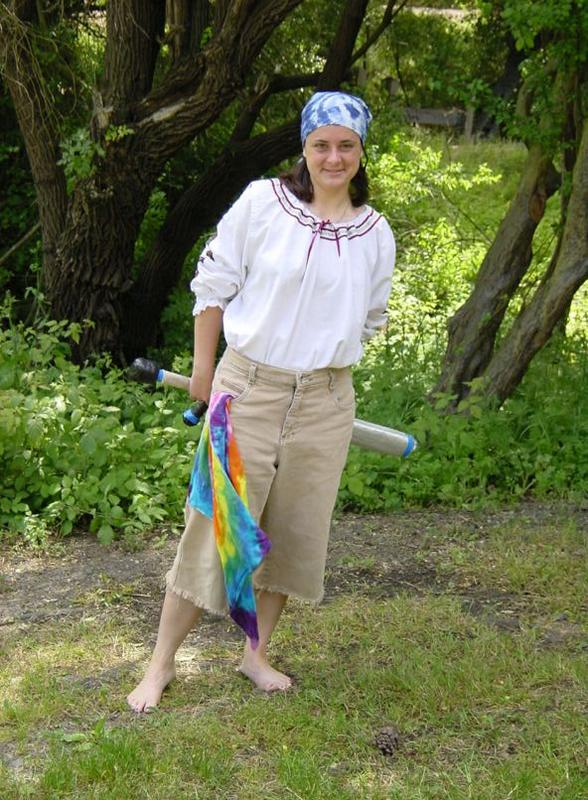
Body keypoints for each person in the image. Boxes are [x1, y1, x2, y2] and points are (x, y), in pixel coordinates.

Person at [127, 91, 396, 712]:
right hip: (247, 390)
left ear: (361, 151)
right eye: (322, 145)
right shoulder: (262, 203)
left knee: (294, 534)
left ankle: (255, 653)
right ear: (305, 147)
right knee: (215, 528)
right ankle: (160, 664)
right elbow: (214, 285)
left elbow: (370, 318)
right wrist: (204, 368)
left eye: (346, 145)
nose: (334, 157)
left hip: (326, 401)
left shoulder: (375, 233)